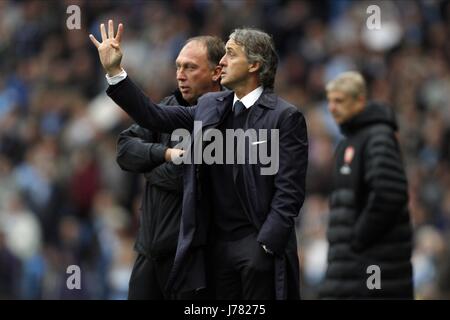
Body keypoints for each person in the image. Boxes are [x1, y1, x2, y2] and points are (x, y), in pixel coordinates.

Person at [89, 20, 308, 300]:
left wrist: (265, 244)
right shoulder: (210, 107)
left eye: (231, 54)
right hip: (216, 250)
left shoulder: (285, 116)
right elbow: (153, 116)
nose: (223, 62)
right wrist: (115, 72)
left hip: (255, 246)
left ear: (254, 65)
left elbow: (289, 190)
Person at [115, 36, 225, 299]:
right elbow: (124, 149)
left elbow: (187, 177)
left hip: (193, 261)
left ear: (216, 72)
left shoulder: (225, 117)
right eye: (178, 67)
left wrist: (148, 168)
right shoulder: (166, 107)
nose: (180, 75)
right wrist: (163, 154)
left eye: (190, 67)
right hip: (147, 255)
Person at [320, 71, 413, 299]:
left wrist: (358, 238)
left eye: (339, 101)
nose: (332, 108)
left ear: (360, 100)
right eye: (330, 101)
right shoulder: (348, 142)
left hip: (373, 266)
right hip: (351, 269)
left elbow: (389, 194)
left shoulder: (378, 136)